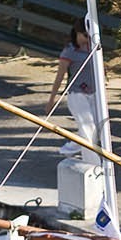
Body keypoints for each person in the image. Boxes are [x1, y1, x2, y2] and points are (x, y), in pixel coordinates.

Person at [46, 22, 99, 162]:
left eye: (90, 36)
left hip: (94, 93)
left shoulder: (93, 47)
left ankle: (69, 148)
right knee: (88, 128)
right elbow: (60, 76)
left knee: (97, 127)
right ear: (77, 32)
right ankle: (92, 162)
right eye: (85, 35)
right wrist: (52, 99)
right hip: (77, 94)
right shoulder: (69, 51)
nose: (88, 39)